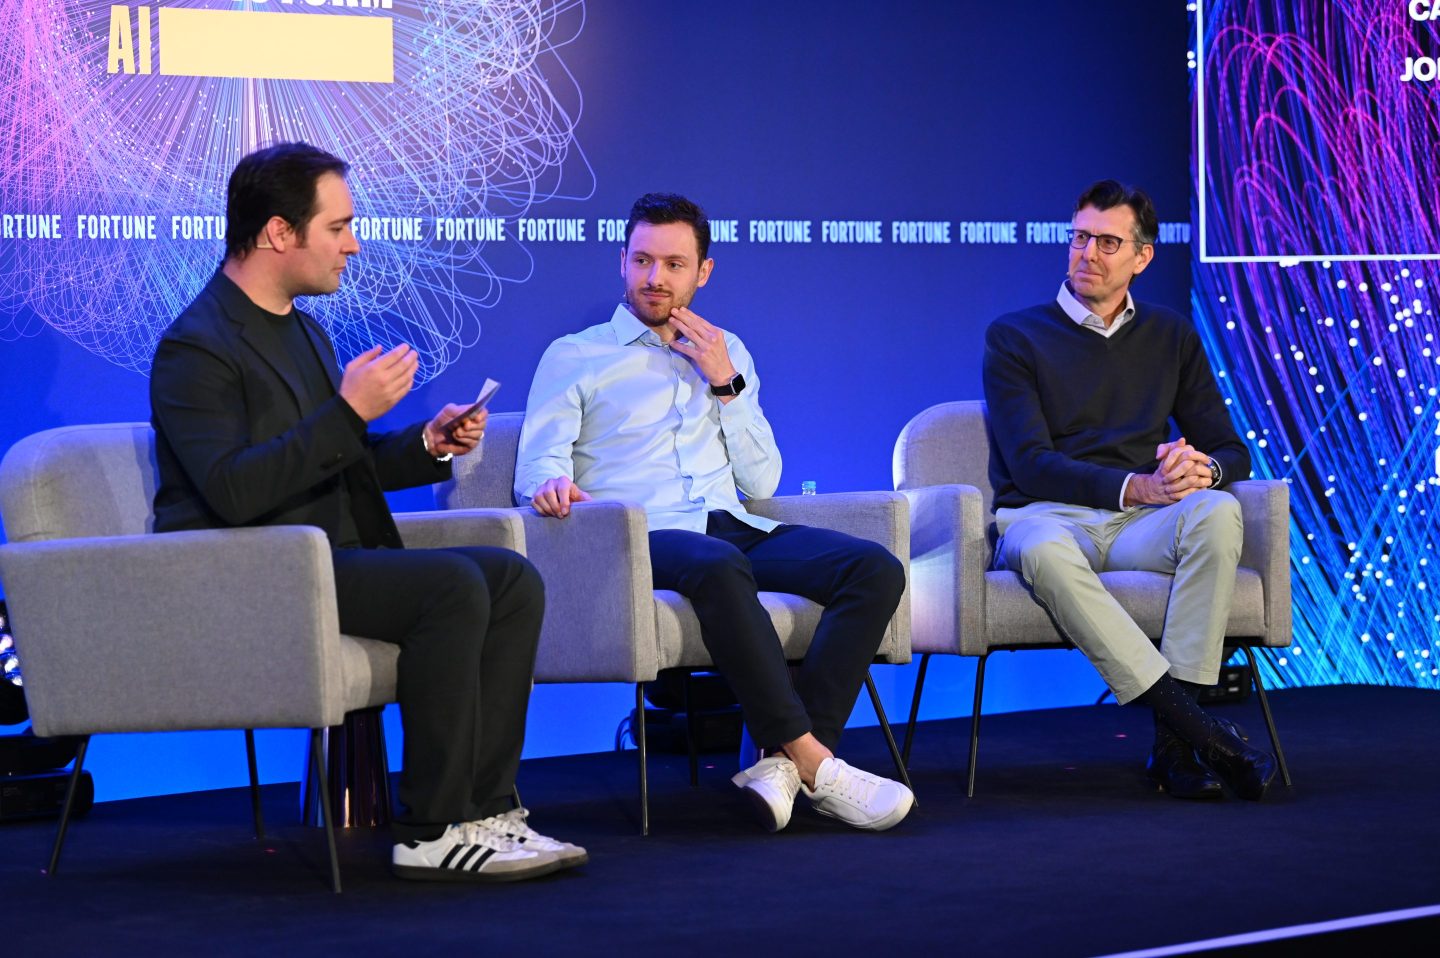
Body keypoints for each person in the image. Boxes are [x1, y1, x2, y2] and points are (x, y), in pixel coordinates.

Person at [150, 142, 584, 881]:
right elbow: (232, 491)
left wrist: (426, 443)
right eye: (339, 227)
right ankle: (432, 827)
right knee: (451, 587)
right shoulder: (196, 347)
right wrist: (348, 409)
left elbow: (336, 457)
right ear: (279, 233)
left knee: (511, 578)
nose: (354, 244)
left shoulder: (306, 329)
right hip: (257, 568)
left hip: (330, 560)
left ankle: (486, 808)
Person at [515, 192, 913, 832]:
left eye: (674, 264)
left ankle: (777, 766)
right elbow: (536, 463)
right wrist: (552, 484)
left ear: (703, 272)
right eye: (642, 261)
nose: (654, 278)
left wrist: (726, 382)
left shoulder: (726, 351)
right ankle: (813, 760)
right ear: (622, 262)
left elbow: (763, 479)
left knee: (873, 569)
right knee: (717, 561)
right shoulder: (575, 354)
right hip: (636, 531)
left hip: (728, 523)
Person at [982, 179, 1279, 801]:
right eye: (1080, 238)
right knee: (1037, 547)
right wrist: (1136, 485)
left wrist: (1202, 470)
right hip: (1047, 516)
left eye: (1107, 243)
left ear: (1142, 257)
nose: (1087, 253)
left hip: (1138, 527)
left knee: (1218, 513)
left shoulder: (1170, 335)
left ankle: (1175, 748)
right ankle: (1199, 730)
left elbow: (1231, 449)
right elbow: (1031, 464)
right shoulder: (1014, 337)